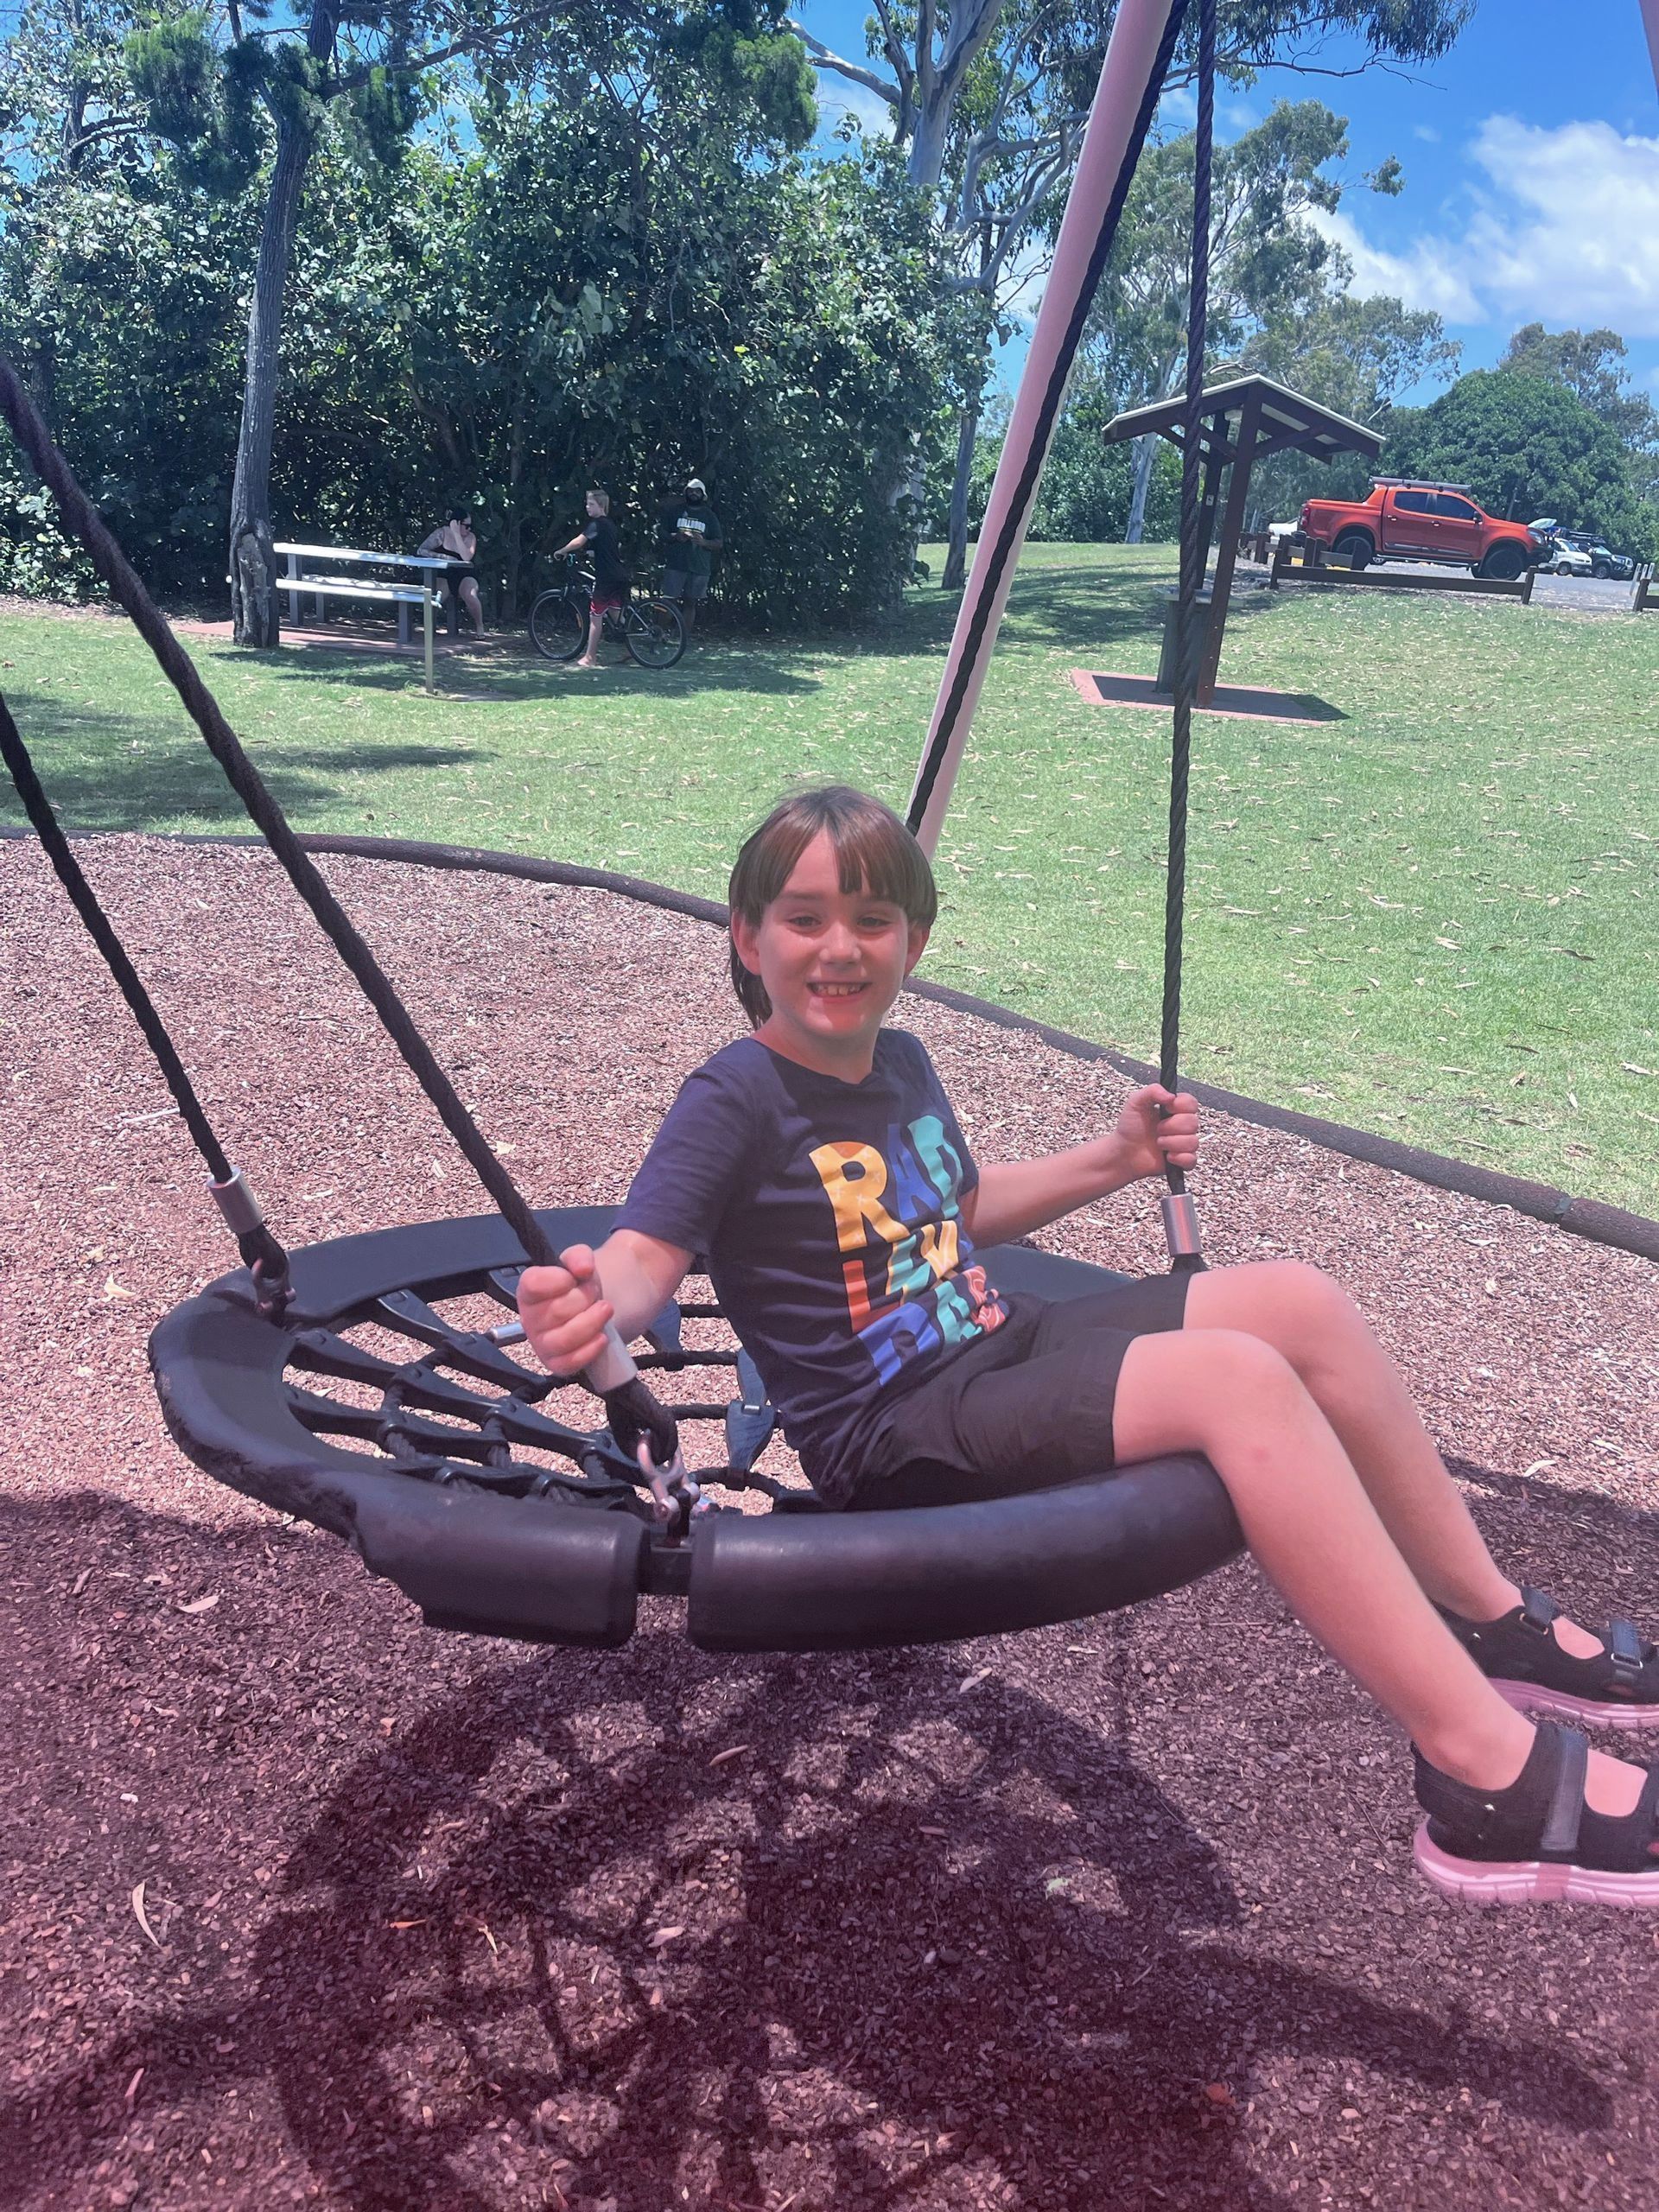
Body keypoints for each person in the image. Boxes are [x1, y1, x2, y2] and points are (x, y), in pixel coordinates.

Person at [519, 785, 1659, 1907]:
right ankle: (1484, 1771)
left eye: (873, 921)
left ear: (916, 940)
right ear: (746, 935)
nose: (840, 947)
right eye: (805, 917)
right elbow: (644, 1258)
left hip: (993, 1348)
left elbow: (960, 1211)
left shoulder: (902, 1063)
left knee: (1302, 1304)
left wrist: (1111, 1161)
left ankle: (1485, 1618)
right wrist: (593, 1306)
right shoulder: (735, 1097)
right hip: (890, 1429)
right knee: (1240, 1384)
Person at [556, 489, 629, 670]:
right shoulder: (610, 525)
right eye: (587, 503)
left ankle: (590, 657)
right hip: (619, 573)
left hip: (606, 576)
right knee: (615, 612)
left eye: (591, 504)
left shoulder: (596, 524)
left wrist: (562, 550)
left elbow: (579, 541)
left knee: (595, 615)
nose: (587, 507)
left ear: (601, 506)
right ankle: (631, 649)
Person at [657, 476, 722, 637]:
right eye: (691, 491)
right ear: (686, 493)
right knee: (668, 600)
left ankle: (683, 638)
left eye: (697, 491)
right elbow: (661, 532)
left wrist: (704, 542)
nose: (694, 494)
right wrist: (675, 536)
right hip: (676, 564)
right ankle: (656, 633)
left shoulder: (709, 516)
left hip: (699, 566)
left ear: (703, 494)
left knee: (690, 602)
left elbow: (719, 542)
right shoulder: (675, 511)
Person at [416, 508, 485, 639]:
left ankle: (479, 625)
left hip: (465, 573)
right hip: (444, 573)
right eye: (467, 526)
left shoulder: (471, 538)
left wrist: (457, 535)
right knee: (439, 595)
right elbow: (421, 550)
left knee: (470, 595)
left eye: (471, 526)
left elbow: (466, 557)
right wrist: (443, 557)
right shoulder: (441, 534)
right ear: (456, 523)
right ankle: (430, 627)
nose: (469, 529)